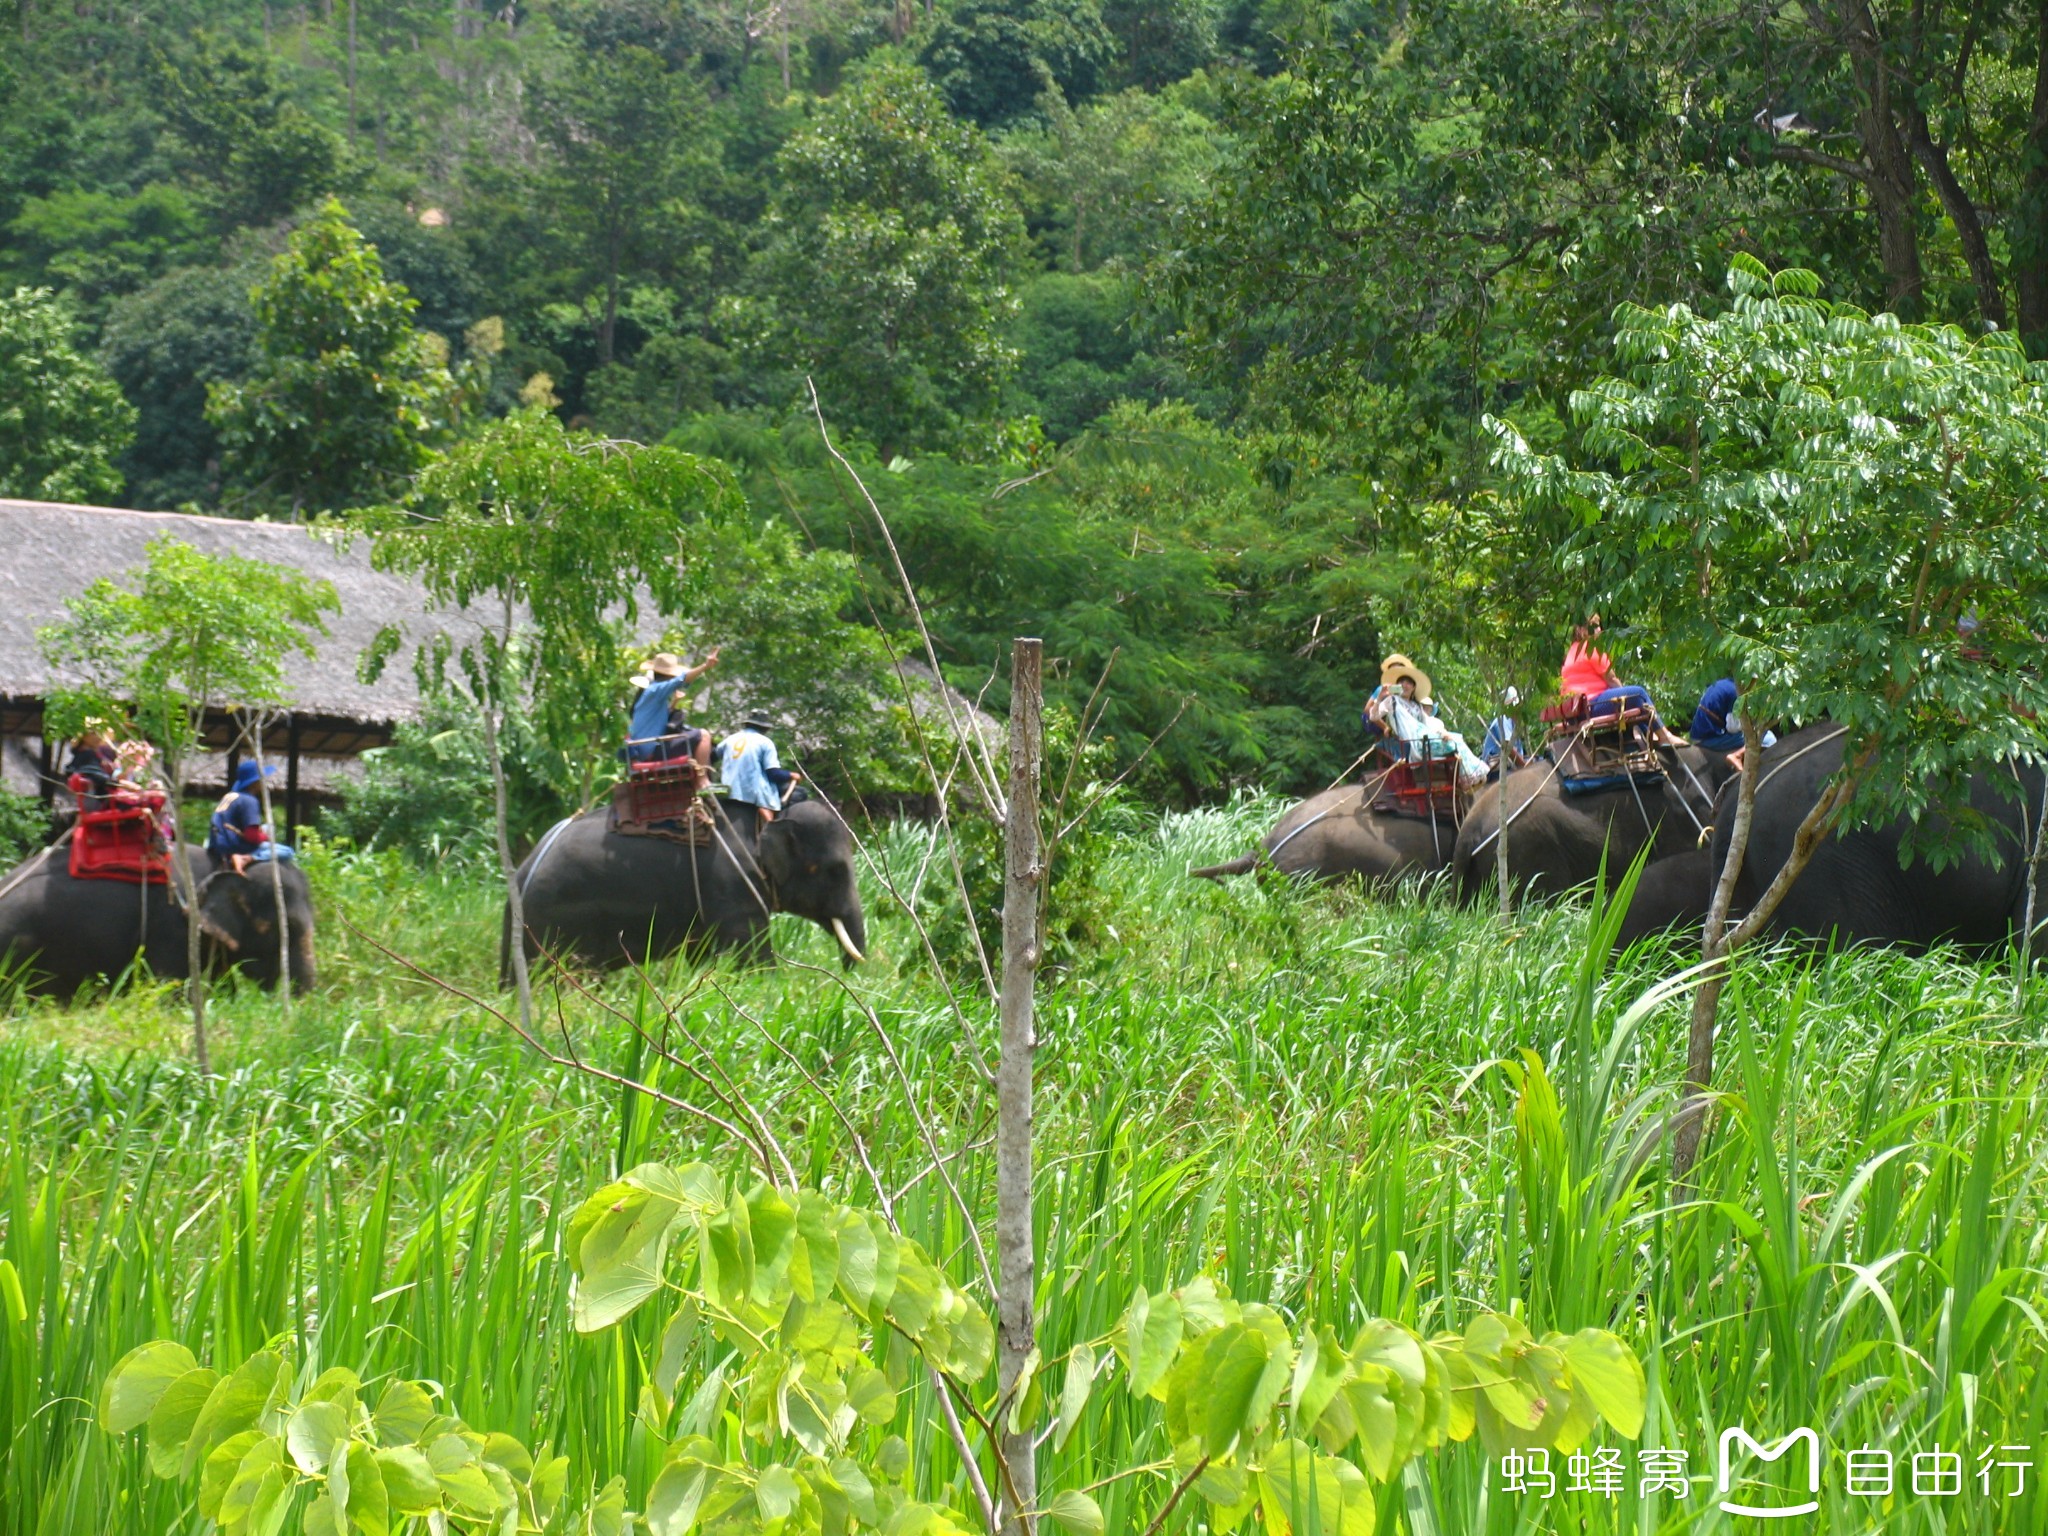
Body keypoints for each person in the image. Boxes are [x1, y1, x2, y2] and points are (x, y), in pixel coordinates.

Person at [1558, 615, 1686, 747]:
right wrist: (1626, 697)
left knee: (1633, 701)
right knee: (1638, 694)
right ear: (1583, 629)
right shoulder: (1591, 647)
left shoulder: (1573, 650)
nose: (1600, 630)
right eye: (1595, 626)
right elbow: (1612, 680)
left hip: (1575, 713)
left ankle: (1650, 733)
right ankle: (1665, 736)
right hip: (1590, 706)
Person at [1364, 655, 1490, 789]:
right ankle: (1469, 779)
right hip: (1415, 744)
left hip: (1425, 738)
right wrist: (1380, 697)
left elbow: (1429, 723)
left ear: (1413, 688)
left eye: (1409, 683)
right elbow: (1373, 716)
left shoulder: (1416, 706)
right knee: (1455, 742)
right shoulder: (1392, 701)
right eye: (1401, 682)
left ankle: (1469, 776)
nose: (1405, 685)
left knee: (1456, 738)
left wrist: (1442, 732)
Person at [627, 649, 719, 769]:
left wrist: (674, 702)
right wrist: (705, 666)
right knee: (704, 735)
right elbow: (682, 680)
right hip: (652, 750)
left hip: (644, 750)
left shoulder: (649, 695)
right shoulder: (655, 690)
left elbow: (657, 720)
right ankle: (702, 780)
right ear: (669, 676)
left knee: (694, 737)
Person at [207, 761, 291, 873]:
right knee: (288, 852)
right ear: (255, 782)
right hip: (233, 845)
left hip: (217, 843)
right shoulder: (249, 801)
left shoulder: (231, 796)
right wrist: (265, 837)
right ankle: (247, 858)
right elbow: (251, 836)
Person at [718, 714, 803, 823]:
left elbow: (714, 755)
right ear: (765, 728)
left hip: (728, 789)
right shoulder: (765, 742)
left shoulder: (730, 739)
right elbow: (773, 774)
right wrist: (791, 775)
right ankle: (775, 826)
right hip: (753, 791)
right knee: (800, 793)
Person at [1480, 687, 1528, 772]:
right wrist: (1525, 765)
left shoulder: (1514, 725)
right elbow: (1508, 748)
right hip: (1497, 768)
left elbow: (1519, 753)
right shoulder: (1503, 720)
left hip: (1510, 765)